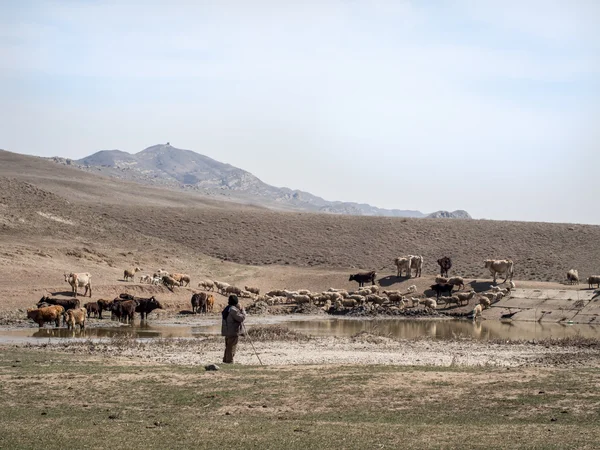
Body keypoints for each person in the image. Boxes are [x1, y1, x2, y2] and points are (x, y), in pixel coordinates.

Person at [221, 295, 246, 364]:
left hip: (226, 330)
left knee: (228, 346)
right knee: (232, 346)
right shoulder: (233, 310)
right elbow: (241, 318)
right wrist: (242, 310)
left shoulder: (227, 308)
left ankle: (225, 360)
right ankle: (229, 361)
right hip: (233, 331)